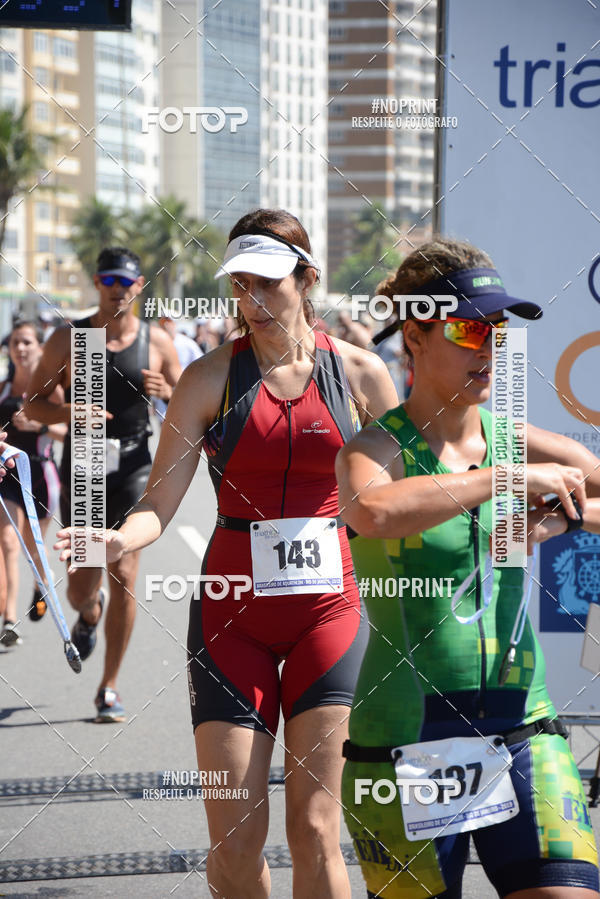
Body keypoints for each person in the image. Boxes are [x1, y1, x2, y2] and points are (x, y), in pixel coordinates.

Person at [56, 209, 398, 898]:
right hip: (229, 619)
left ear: (307, 278)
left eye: (269, 282)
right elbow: (159, 501)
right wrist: (121, 536)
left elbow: (400, 503)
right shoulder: (209, 377)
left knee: (315, 826)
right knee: (236, 843)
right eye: (241, 285)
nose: (254, 300)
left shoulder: (361, 374)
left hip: (330, 616)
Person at [336, 237, 600, 899]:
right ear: (415, 336)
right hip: (406, 740)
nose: (489, 345)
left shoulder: (520, 440)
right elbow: (373, 512)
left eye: (497, 329)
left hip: (523, 726)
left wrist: (560, 517)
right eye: (468, 327)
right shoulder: (375, 447)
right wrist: (505, 480)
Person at [27, 247, 181, 722]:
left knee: (127, 574)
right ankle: (88, 612)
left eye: (127, 282)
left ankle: (109, 687)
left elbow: (190, 409)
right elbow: (33, 406)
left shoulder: (156, 341)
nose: (118, 289)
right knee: (81, 585)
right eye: (109, 280)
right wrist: (69, 411)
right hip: (87, 463)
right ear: (97, 283)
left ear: (140, 287)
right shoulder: (73, 340)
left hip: (135, 462)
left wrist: (168, 393)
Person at [0, 320, 65, 646]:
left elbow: (67, 433)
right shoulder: (3, 389)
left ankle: (40, 588)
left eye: (27, 342)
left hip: (40, 476)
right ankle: (9, 620)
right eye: (15, 343)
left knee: (33, 549)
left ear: (40, 347)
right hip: (6, 477)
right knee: (8, 543)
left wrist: (39, 426)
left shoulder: (49, 390)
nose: (20, 349)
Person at [154, 313, 202, 423]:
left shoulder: (187, 343)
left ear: (174, 324)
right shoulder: (156, 344)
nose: (166, 325)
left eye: (169, 321)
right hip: (162, 398)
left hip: (184, 396)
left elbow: (202, 364)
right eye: (163, 321)